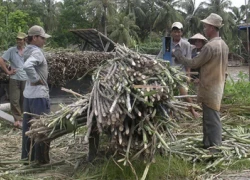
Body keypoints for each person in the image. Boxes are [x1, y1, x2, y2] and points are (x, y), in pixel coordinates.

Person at [173, 13, 229, 151]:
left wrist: (179, 55)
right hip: (218, 85)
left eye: (205, 26)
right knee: (209, 117)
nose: (204, 29)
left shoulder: (210, 47)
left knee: (212, 118)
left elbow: (194, 62)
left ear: (211, 27)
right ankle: (207, 144)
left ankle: (215, 148)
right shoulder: (223, 45)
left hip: (210, 87)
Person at [22, 25, 51, 164]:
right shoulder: (37, 52)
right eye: (42, 38)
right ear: (34, 38)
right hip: (39, 97)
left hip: (28, 96)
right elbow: (28, 66)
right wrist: (36, 80)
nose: (44, 41)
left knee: (28, 129)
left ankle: (27, 158)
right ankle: (41, 161)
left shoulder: (26, 50)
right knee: (41, 129)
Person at [170, 22, 200, 118]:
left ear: (181, 33)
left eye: (178, 32)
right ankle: (171, 114)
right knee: (168, 93)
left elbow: (188, 62)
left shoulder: (186, 44)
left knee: (184, 94)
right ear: (171, 33)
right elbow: (161, 57)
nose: (176, 34)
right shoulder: (167, 43)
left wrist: (188, 76)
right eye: (174, 32)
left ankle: (193, 111)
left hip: (180, 74)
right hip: (168, 73)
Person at [0, 32, 28, 128]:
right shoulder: (12, 50)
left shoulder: (28, 50)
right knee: (14, 99)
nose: (19, 41)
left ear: (25, 40)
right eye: (17, 39)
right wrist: (8, 71)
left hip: (26, 78)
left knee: (24, 99)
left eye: (21, 39)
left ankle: (24, 117)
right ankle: (17, 119)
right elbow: (1, 60)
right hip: (14, 78)